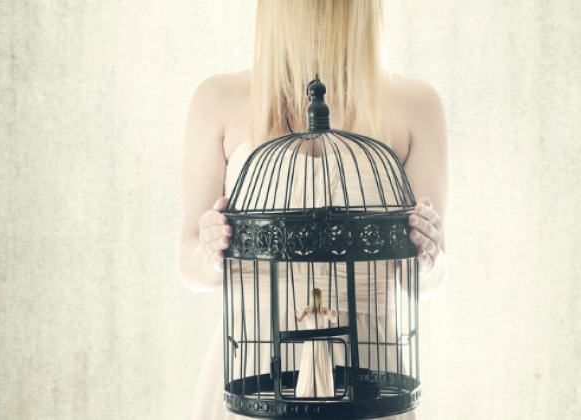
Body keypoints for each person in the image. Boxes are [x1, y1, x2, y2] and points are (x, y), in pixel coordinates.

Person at [177, 1, 448, 418]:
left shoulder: (416, 103)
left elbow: (431, 276)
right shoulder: (218, 98)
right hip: (256, 367)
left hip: (367, 370)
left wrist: (428, 254)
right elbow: (189, 262)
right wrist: (211, 248)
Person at [294, 288, 340, 399]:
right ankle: (320, 390)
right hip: (318, 342)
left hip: (312, 342)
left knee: (311, 364)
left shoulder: (310, 310)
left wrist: (296, 314)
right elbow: (333, 320)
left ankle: (311, 390)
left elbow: (299, 320)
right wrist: (336, 315)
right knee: (318, 364)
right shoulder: (322, 310)